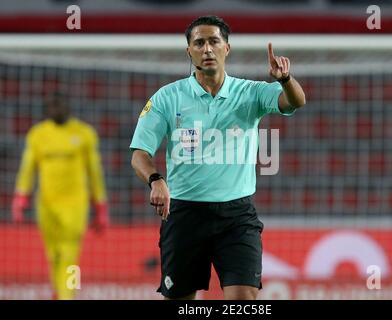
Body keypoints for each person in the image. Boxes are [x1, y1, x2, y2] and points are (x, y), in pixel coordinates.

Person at [130, 15, 305, 300]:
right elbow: (139, 154)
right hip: (185, 214)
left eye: (214, 41)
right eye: (199, 43)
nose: (207, 49)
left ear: (227, 48)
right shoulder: (167, 98)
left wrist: (285, 79)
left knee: (244, 299)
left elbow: (295, 101)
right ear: (189, 52)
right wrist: (155, 179)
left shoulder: (249, 92)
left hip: (237, 217)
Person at [11, 92, 110, 300]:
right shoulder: (38, 134)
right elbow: (28, 168)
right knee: (53, 254)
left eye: (59, 106)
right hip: (46, 204)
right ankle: (59, 292)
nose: (55, 110)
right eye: (50, 107)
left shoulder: (84, 134)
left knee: (69, 255)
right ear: (46, 111)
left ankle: (68, 295)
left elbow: (95, 172)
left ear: (68, 108)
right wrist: (21, 197)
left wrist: (101, 207)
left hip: (75, 205)